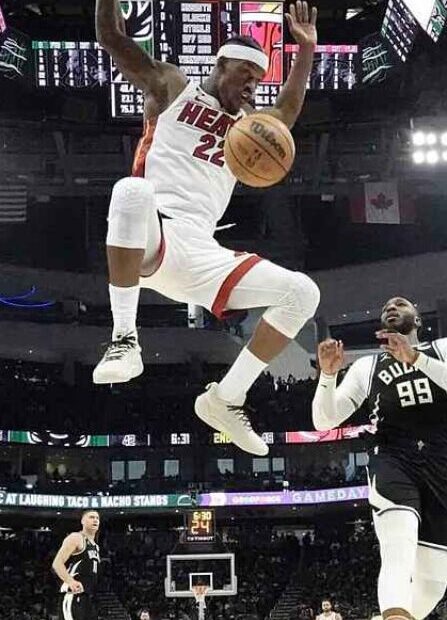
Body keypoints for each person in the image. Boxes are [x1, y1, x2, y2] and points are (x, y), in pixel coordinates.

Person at [93, 0, 321, 456]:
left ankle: (226, 398)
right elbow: (112, 39)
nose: (252, 86)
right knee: (131, 191)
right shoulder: (172, 87)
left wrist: (307, 51)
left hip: (202, 253)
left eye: (258, 80)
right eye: (245, 75)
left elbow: (289, 112)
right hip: (152, 235)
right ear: (222, 65)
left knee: (303, 294)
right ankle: (124, 339)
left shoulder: (252, 127)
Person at [312, 297, 447, 620]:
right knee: (398, 549)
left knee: (433, 583)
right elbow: (324, 420)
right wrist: (327, 377)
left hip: (439, 463)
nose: (391, 306)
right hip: (391, 457)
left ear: (417, 320)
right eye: (386, 307)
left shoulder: (445, 347)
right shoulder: (367, 366)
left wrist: (415, 358)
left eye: (401, 304)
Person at [52, 510, 101, 620]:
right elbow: (57, 563)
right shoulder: (76, 538)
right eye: (91, 517)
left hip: (88, 596)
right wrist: (70, 581)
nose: (95, 520)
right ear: (83, 521)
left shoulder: (95, 546)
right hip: (72, 595)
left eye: (97, 518)